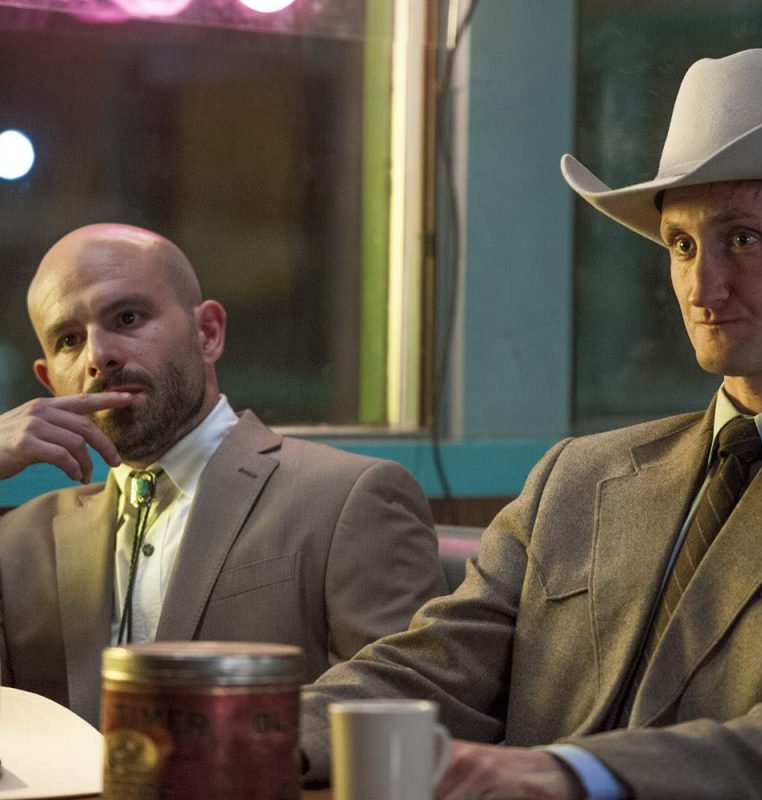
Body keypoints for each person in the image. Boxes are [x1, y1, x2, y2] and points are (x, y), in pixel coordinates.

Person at [300, 47, 762, 800]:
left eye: (743, 239)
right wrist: (252, 731)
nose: (703, 286)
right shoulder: (578, 477)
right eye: (682, 245)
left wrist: (570, 772)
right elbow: (433, 669)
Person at [0, 222, 447, 727]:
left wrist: (223, 749)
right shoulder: (16, 542)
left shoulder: (348, 497)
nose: (97, 356)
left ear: (207, 332)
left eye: (127, 318)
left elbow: (407, 704)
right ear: (48, 381)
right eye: (69, 340)